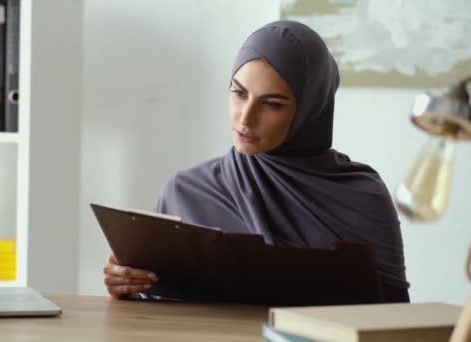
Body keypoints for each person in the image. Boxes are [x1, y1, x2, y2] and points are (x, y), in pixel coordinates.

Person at [102, 20, 410, 303]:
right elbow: (159, 315)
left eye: (272, 104)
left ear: (309, 110)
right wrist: (127, 286)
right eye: (238, 93)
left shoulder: (361, 199)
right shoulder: (185, 192)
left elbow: (395, 323)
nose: (245, 118)